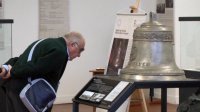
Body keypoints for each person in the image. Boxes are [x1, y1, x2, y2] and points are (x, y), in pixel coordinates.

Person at [0, 31, 85, 112]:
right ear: (73, 45)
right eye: (80, 50)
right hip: (23, 95)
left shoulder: (44, 42)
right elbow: (35, 67)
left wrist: (6, 67)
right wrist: (12, 72)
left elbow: (20, 59)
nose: (79, 55)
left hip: (12, 89)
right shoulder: (61, 51)